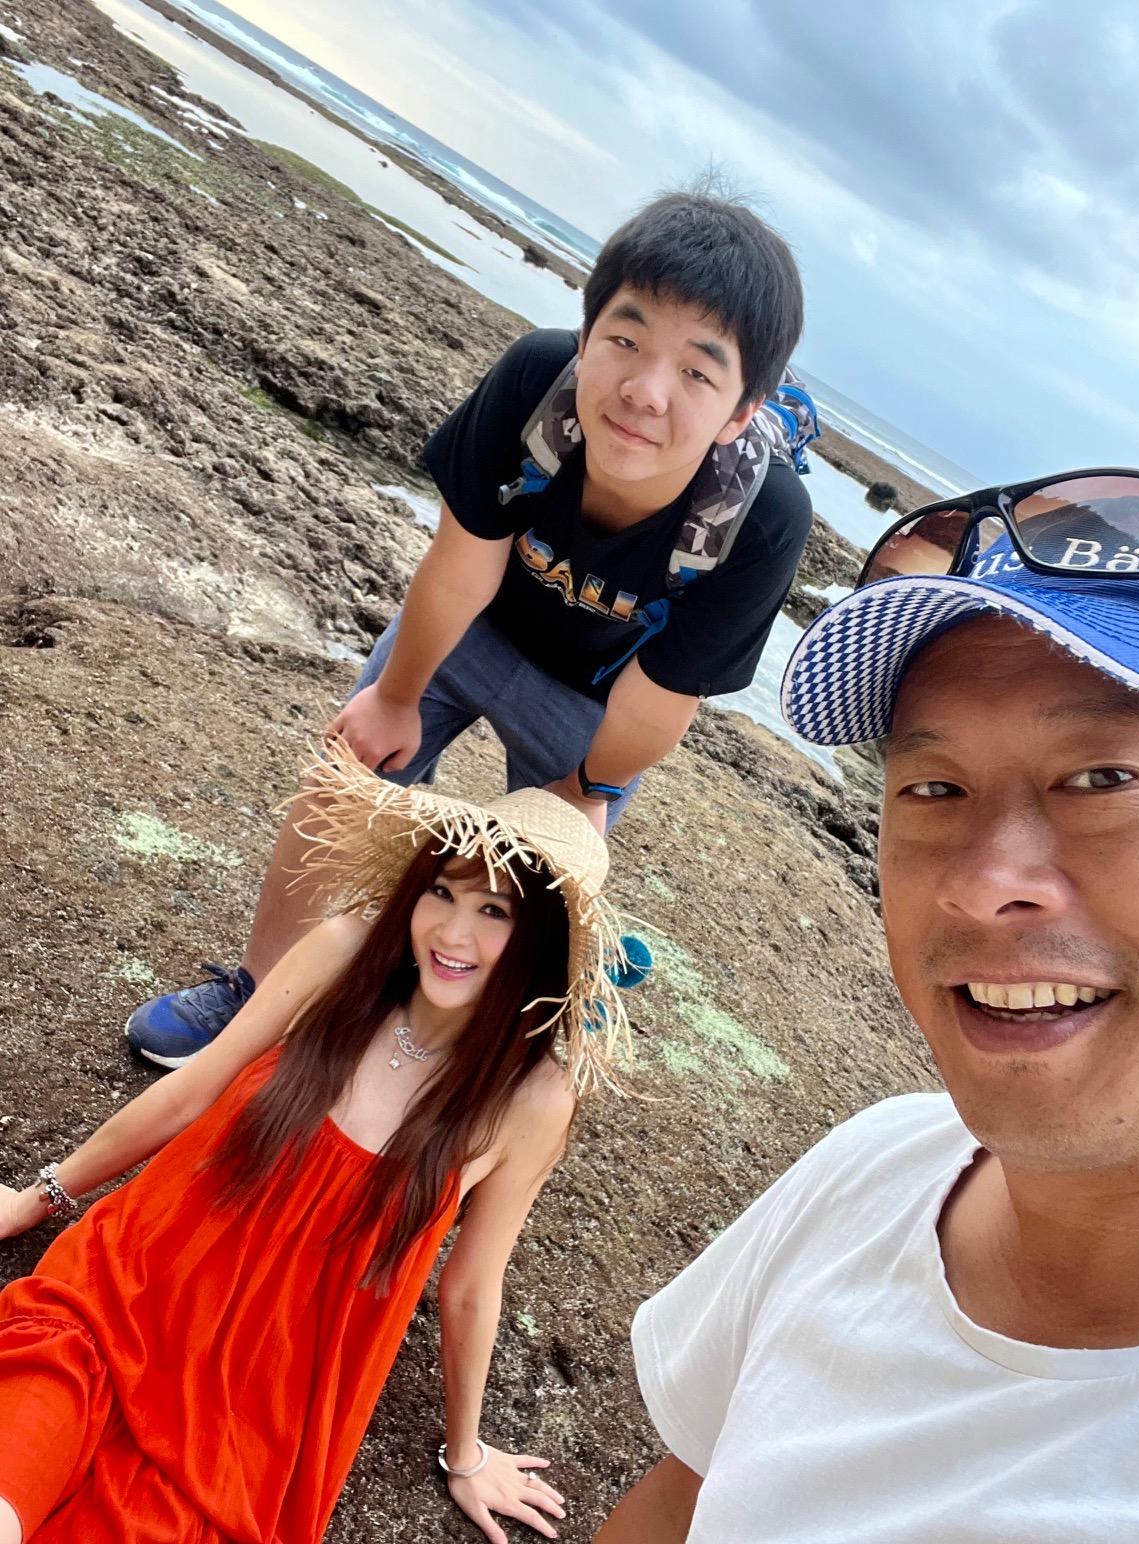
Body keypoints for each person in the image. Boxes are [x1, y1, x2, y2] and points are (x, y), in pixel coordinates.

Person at [124, 187, 811, 1069]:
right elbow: (462, 564)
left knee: (530, 900)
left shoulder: (760, 519)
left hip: (597, 707)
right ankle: (254, 996)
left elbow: (662, 698)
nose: (645, 391)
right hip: (475, 629)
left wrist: (588, 792)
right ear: (587, 332)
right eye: (627, 340)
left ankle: (418, 1058)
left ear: (742, 409)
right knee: (346, 770)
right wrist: (396, 695)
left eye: (698, 373)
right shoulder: (537, 386)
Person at [596, 467, 1139, 1540]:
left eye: (1103, 778)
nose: (983, 882)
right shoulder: (877, 1168)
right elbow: (676, 1507)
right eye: (934, 787)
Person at [0, 742, 630, 1544]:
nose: (451, 931)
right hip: (124, 1296)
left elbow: (472, 1285)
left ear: (539, 941)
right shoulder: (341, 957)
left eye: (495, 911)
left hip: (255, 1405)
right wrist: (41, 1196)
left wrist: (467, 1455)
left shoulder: (532, 1098)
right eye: (442, 891)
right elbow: (192, 1090)